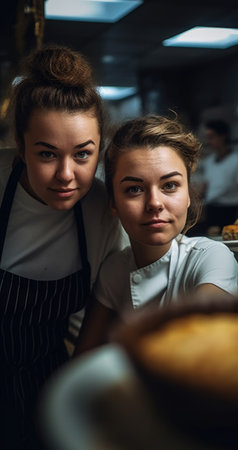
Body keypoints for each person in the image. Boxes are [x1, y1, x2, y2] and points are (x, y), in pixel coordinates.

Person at [0, 44, 126, 449]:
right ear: (21, 147)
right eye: (47, 154)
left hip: (52, 379)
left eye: (83, 155)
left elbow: (106, 310)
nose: (66, 175)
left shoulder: (102, 212)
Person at [75, 115, 238, 354]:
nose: (154, 203)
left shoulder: (211, 257)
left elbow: (198, 344)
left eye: (169, 185)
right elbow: (83, 363)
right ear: (114, 205)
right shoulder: (114, 271)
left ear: (188, 196)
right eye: (134, 189)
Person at [189, 119, 238, 236]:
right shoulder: (209, 162)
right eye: (207, 137)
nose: (208, 141)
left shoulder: (236, 161)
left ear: (223, 136)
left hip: (230, 212)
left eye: (211, 137)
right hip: (212, 211)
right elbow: (206, 188)